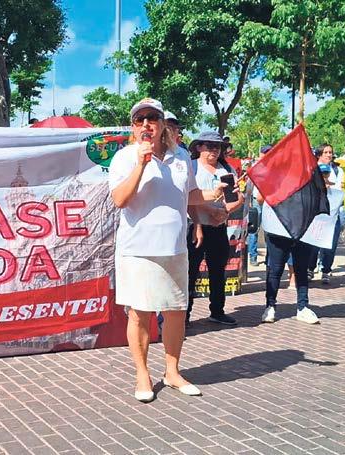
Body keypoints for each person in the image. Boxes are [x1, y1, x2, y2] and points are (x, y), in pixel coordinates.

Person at [109, 98, 226, 402]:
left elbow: (188, 195)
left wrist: (212, 196)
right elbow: (120, 199)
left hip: (175, 247)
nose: (146, 124)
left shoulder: (182, 156)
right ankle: (142, 374)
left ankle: (172, 372)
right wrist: (141, 164)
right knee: (140, 314)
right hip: (138, 249)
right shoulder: (124, 158)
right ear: (133, 127)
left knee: (176, 312)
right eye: (140, 120)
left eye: (152, 118)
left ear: (162, 124)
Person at [186, 132, 243, 326]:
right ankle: (184, 315)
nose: (214, 150)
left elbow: (237, 197)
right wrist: (209, 212)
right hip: (195, 227)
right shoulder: (191, 167)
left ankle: (217, 311)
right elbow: (187, 199)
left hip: (219, 227)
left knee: (218, 271)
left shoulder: (226, 169)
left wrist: (225, 211)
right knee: (190, 272)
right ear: (198, 147)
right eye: (209, 146)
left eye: (218, 147)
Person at [256, 191, 321, 325]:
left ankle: (302, 307)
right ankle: (270, 306)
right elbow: (260, 198)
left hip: (301, 225)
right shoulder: (274, 177)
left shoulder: (308, 178)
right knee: (276, 269)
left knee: (300, 269)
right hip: (279, 227)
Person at [315, 144, 345, 284]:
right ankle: (310, 268)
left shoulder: (338, 171)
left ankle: (326, 270)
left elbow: (342, 190)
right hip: (316, 213)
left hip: (333, 213)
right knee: (313, 243)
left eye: (330, 152)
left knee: (331, 244)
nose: (328, 155)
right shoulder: (312, 169)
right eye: (325, 152)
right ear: (319, 155)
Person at [247, 145, 271, 265]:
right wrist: (249, 200)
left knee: (269, 231)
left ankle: (269, 258)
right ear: (261, 154)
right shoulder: (255, 167)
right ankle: (253, 256)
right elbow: (249, 185)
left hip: (270, 202)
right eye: (265, 153)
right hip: (256, 201)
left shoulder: (275, 167)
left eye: (269, 152)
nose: (267, 155)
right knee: (254, 230)